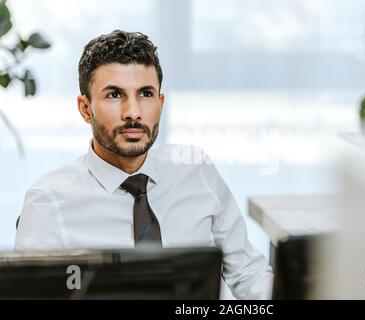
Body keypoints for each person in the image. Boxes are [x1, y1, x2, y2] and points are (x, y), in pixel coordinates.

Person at [14, 30, 273, 299]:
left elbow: (248, 273)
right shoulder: (48, 202)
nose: (133, 112)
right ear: (85, 109)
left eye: (146, 94)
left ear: (160, 103)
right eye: (115, 95)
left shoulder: (197, 171)